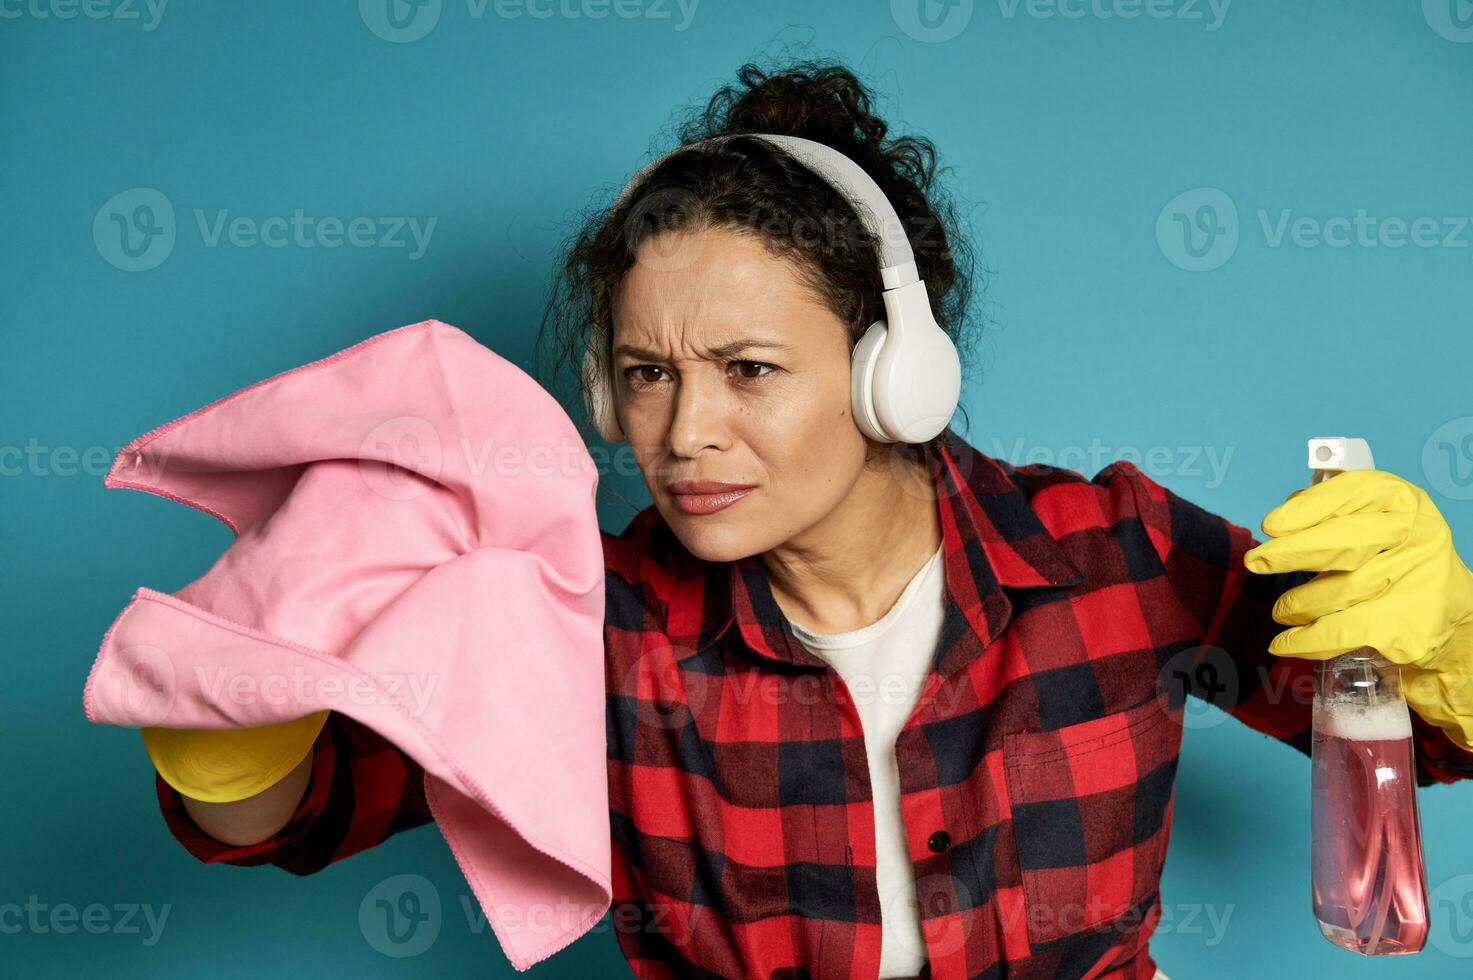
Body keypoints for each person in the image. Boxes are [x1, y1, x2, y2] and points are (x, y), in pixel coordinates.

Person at [140, 61, 1473, 979]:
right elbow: (292, 817)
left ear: (897, 370)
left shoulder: (1111, 555)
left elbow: (1416, 747)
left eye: (749, 370)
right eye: (648, 373)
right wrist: (235, 675)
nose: (684, 433)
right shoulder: (580, 624)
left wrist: (1442, 638)